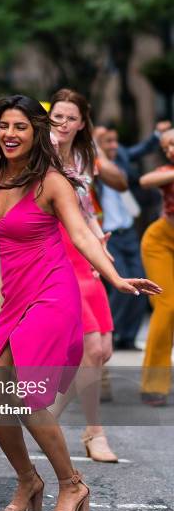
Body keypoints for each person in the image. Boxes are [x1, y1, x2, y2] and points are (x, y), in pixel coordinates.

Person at [0, 95, 160, 511]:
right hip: (13, 298)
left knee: (25, 392)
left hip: (52, 292)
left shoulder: (52, 181)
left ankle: (72, 483)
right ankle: (29, 480)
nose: (10, 134)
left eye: (20, 127)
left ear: (36, 133)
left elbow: (84, 236)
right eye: (3, 126)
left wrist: (115, 277)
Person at [48, 88, 123, 462]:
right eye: (57, 116)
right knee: (90, 348)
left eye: (70, 118)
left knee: (102, 350)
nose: (62, 123)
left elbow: (86, 211)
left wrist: (99, 245)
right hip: (52, 249)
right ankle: (95, 434)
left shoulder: (82, 156)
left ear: (82, 123)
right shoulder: (38, 152)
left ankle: (46, 421)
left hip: (84, 249)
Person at [95, 121, 171, 350]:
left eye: (115, 141)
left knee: (140, 282)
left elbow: (142, 150)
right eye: (108, 142)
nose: (114, 145)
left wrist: (158, 134)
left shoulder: (122, 158)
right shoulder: (91, 163)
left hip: (127, 229)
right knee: (122, 282)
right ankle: (112, 333)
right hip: (108, 232)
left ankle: (128, 337)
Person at [139, 128, 174, 406]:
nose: (171, 150)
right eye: (167, 146)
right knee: (167, 305)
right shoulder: (166, 172)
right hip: (161, 241)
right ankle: (154, 384)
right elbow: (145, 179)